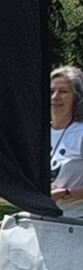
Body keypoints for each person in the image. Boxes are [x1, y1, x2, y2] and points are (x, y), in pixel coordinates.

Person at [50, 64, 83, 219]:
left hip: (75, 225)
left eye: (63, 92)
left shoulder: (80, 134)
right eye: (51, 91)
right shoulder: (39, 134)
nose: (55, 97)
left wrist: (67, 193)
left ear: (76, 97)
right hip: (39, 222)